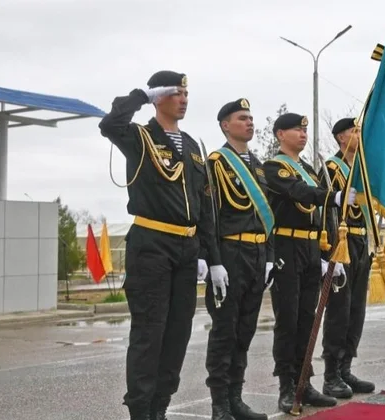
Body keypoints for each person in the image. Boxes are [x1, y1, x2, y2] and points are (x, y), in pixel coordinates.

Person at [98, 70, 225, 420]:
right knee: (149, 333)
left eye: (186, 93)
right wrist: (141, 94)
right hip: (151, 244)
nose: (183, 98)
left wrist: (210, 257)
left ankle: (160, 407)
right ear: (159, 97)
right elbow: (109, 123)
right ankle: (140, 411)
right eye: (175, 92)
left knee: (178, 333)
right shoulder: (140, 137)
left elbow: (204, 207)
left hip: (186, 249)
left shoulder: (194, 148)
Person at [262, 112, 355, 413]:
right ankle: (287, 387)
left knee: (306, 318)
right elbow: (298, 193)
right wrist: (334, 196)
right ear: (279, 134)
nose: (302, 134)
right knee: (287, 320)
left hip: (310, 246)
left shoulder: (308, 169)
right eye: (294, 130)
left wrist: (327, 256)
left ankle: (305, 382)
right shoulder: (275, 167)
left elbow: (319, 212)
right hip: (286, 246)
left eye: (304, 129)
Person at [203, 98, 273, 420]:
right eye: (242, 118)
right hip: (230, 253)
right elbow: (210, 215)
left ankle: (236, 398)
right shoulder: (217, 163)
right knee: (225, 331)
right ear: (225, 125)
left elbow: (266, 217)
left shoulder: (258, 165)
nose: (250, 123)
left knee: (245, 331)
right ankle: (219, 404)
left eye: (251, 117)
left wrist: (270, 256)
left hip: (257, 254)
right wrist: (212, 260)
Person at [319, 118, 376, 399]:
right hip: (341, 243)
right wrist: (329, 252)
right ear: (342, 138)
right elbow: (326, 211)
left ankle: (346, 368)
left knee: (357, 310)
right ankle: (330, 375)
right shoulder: (332, 168)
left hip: (362, 241)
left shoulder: (361, 169)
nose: (359, 135)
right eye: (354, 131)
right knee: (339, 310)